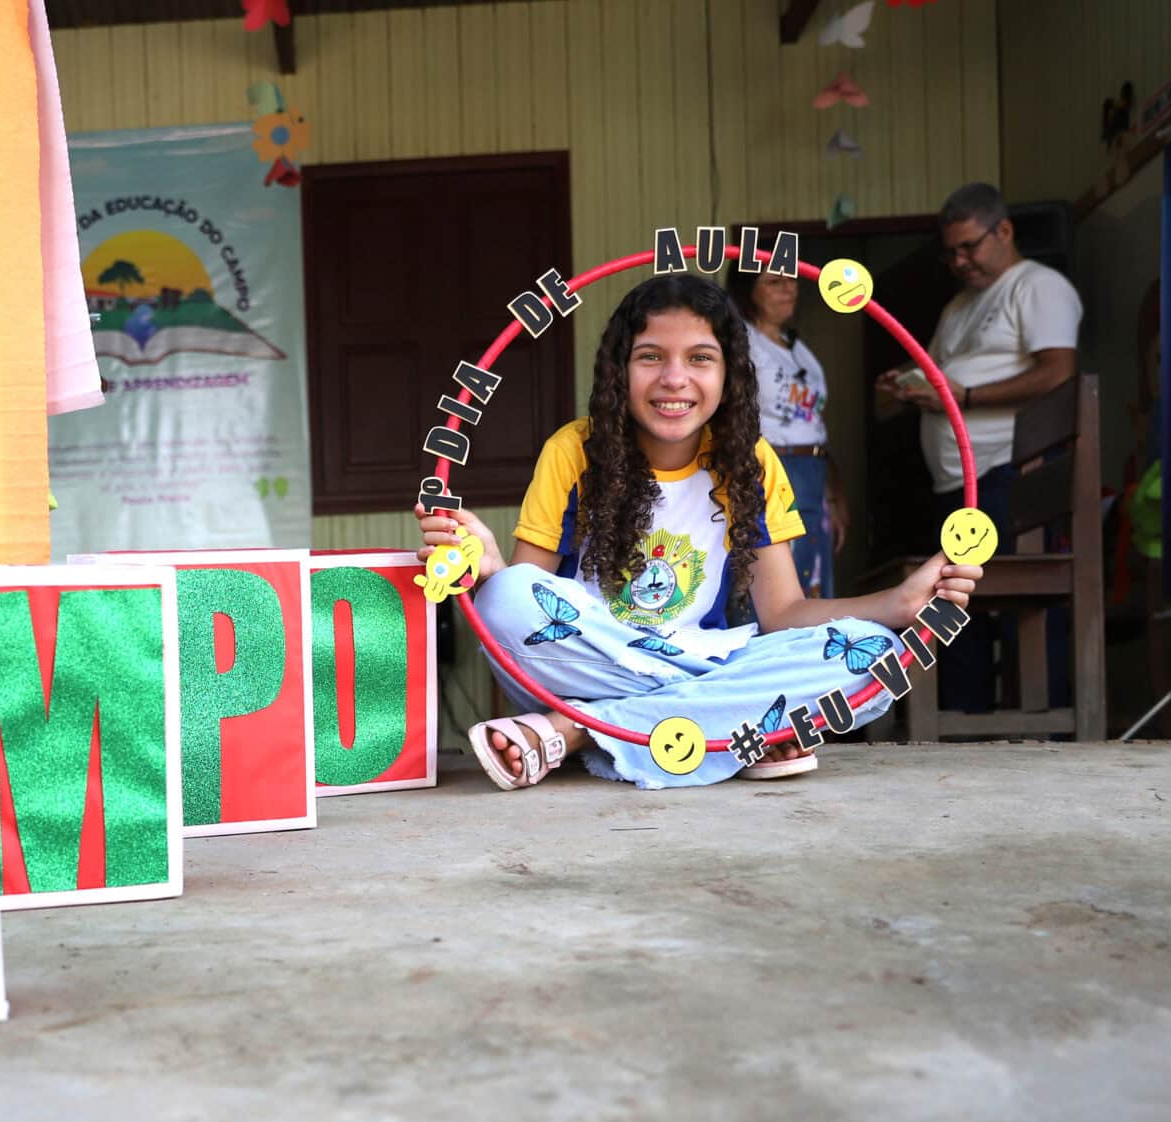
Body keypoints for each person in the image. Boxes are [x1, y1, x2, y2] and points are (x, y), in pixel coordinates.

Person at [417, 274, 976, 791]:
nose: (674, 378)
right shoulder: (573, 451)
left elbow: (783, 612)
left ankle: (579, 730)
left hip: (702, 657)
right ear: (619, 369)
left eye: (700, 358)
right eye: (650, 356)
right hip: (587, 664)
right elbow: (526, 611)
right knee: (504, 597)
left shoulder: (750, 463)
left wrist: (897, 605)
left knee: (872, 650)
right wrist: (491, 568)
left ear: (730, 372)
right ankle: (736, 726)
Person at [878, 182, 1082, 710]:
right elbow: (938, 375)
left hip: (1008, 473)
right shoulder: (958, 306)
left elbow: (1059, 373)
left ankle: (1042, 724)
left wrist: (965, 397)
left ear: (1004, 231)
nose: (960, 261)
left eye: (969, 247)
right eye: (951, 252)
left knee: (1013, 609)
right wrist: (907, 387)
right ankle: (966, 722)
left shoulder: (1037, 287)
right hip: (956, 485)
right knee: (955, 606)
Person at [729, 266, 847, 599]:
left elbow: (812, 424)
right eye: (774, 282)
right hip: (771, 466)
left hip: (813, 471)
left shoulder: (796, 347)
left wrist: (832, 494)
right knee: (776, 579)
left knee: (812, 574)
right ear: (747, 290)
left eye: (791, 280)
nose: (789, 289)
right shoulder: (740, 341)